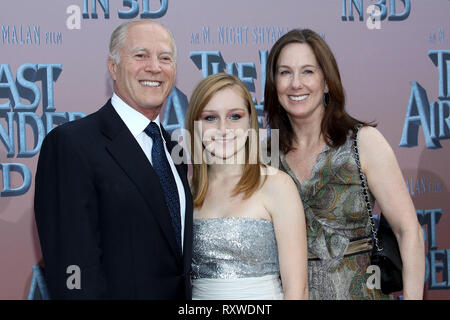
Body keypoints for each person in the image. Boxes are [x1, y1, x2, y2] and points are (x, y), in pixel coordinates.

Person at [34, 20, 193, 299]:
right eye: (141, 55)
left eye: (165, 58)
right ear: (113, 68)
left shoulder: (172, 151)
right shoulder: (72, 145)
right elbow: (72, 269)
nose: (154, 67)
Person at [264, 29, 425, 300]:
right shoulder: (264, 156)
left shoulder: (363, 143)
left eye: (308, 72)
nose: (296, 84)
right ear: (273, 84)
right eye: (285, 73)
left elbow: (408, 231)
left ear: (327, 82)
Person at [185, 73, 308, 300]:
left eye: (234, 116)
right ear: (195, 125)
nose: (223, 129)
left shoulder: (277, 185)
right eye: (210, 118)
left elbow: (297, 290)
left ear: (250, 121)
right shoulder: (186, 192)